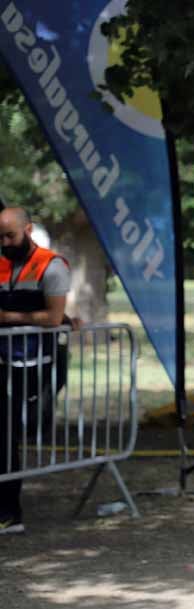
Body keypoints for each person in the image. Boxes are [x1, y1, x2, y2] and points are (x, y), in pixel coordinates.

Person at [0, 207, 71, 535]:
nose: (4, 242)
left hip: (35, 365)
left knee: (9, 436)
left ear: (27, 230)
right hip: (4, 363)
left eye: (9, 235)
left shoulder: (51, 265)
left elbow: (55, 318)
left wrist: (10, 318)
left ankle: (10, 512)